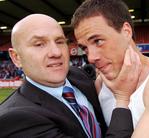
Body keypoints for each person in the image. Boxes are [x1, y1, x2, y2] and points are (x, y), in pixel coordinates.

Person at [0, 14, 141, 138]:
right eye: (39, 44)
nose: (55, 52)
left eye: (60, 41)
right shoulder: (15, 119)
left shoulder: (79, 75)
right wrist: (122, 99)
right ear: (16, 57)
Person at [72, 0, 149, 137]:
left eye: (98, 41)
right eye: (85, 48)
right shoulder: (100, 84)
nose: (91, 58)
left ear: (126, 31)